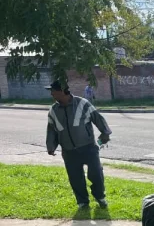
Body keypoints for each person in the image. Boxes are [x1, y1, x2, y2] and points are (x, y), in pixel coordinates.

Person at [46, 80, 112, 210]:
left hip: (88, 147)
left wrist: (105, 133)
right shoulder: (53, 110)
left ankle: (100, 197)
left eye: (53, 91)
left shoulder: (83, 104)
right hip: (68, 151)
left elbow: (97, 118)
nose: (51, 94)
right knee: (75, 178)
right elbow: (51, 130)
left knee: (96, 174)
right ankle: (82, 202)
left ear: (61, 92)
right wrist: (51, 146)